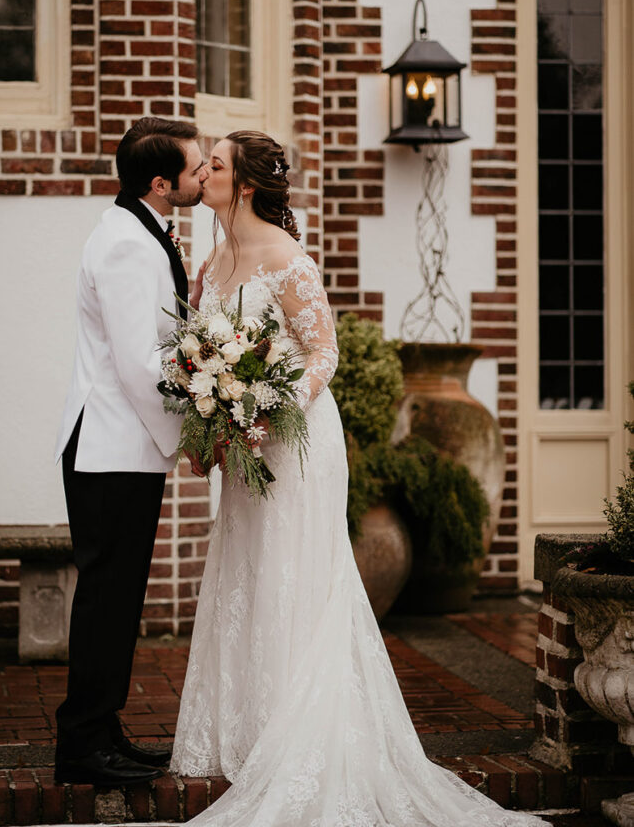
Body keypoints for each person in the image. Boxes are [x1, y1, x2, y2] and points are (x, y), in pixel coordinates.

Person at [170, 130, 548, 826]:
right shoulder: (213, 258)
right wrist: (213, 421)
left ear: (245, 184)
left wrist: (265, 410)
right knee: (246, 572)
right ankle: (249, 730)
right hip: (243, 443)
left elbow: (323, 354)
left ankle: (298, 735)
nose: (203, 175)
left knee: (294, 575)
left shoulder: (286, 258)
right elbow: (203, 357)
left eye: (215, 167)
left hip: (293, 441)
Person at [54, 117, 204, 787]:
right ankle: (82, 746)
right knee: (107, 601)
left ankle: (103, 728)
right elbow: (138, 363)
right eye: (195, 169)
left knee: (118, 599)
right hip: (111, 447)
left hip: (124, 447)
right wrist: (188, 435)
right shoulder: (124, 243)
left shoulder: (140, 232)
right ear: (160, 181)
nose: (203, 177)